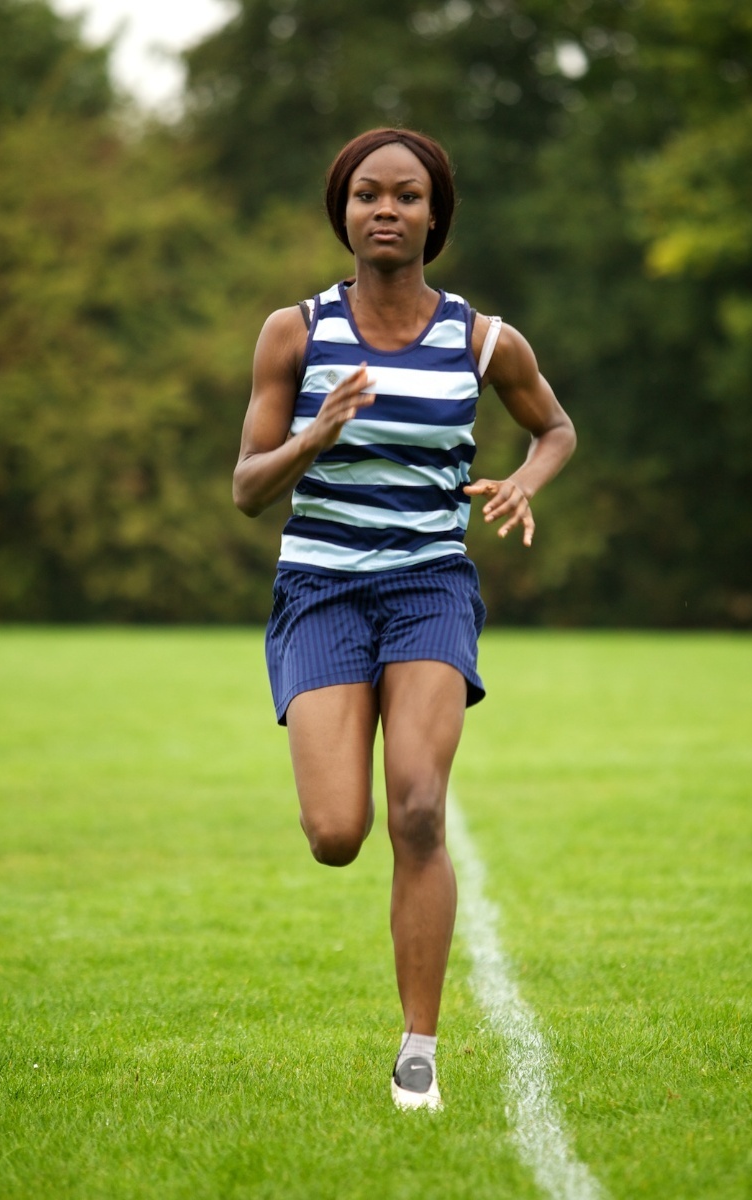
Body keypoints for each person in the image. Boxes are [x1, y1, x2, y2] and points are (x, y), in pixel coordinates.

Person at [233, 128, 576, 1111]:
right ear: (342, 212)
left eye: (407, 196)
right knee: (337, 832)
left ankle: (417, 1050)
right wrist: (315, 435)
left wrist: (522, 479)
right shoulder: (294, 333)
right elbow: (247, 488)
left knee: (419, 807)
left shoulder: (482, 340)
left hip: (429, 587)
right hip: (321, 591)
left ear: (435, 217)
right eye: (367, 195)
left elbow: (554, 427)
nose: (385, 209)